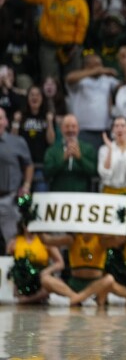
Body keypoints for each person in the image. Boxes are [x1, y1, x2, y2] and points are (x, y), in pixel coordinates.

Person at [20, 0, 89, 79]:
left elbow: (82, 26)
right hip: (49, 47)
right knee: (50, 81)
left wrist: (76, 45)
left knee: (73, 80)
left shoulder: (79, 2)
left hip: (71, 48)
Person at [39, 232, 121, 307]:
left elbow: (118, 240)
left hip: (95, 284)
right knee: (45, 279)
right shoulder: (72, 239)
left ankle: (73, 300)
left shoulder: (101, 239)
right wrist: (34, 225)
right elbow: (47, 240)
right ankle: (82, 299)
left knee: (109, 279)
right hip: (74, 284)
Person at [65, 52, 120, 151]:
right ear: (86, 66)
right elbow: (69, 78)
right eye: (95, 65)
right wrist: (95, 71)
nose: (99, 68)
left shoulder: (107, 79)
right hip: (84, 130)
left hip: (105, 130)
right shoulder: (80, 81)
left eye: (100, 65)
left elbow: (121, 87)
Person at [0, 108, 33, 254]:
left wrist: (26, 185)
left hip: (9, 198)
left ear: (6, 121)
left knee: (13, 243)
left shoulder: (17, 141)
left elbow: (29, 165)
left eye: (0, 118)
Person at [7, 219, 64, 304]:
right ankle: (22, 297)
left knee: (52, 281)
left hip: (40, 275)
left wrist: (47, 271)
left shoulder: (46, 241)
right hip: (22, 277)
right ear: (22, 225)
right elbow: (7, 262)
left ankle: (28, 299)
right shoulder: (14, 242)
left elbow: (60, 263)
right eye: (27, 224)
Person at [11, 85, 55, 190]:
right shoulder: (21, 116)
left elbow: (51, 141)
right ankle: (25, 206)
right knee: (24, 197)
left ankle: (38, 207)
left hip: (40, 165)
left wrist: (49, 122)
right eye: (31, 95)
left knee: (41, 192)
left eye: (38, 95)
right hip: (23, 166)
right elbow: (13, 140)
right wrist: (16, 123)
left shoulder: (46, 117)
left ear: (42, 99)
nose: (34, 97)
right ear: (27, 98)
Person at [43, 114, 97, 193]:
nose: (70, 130)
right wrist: (63, 159)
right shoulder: (53, 150)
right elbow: (46, 173)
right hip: (57, 196)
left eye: (73, 126)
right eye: (67, 126)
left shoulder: (88, 149)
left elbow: (94, 172)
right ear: (61, 129)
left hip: (83, 197)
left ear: (78, 129)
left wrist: (80, 158)